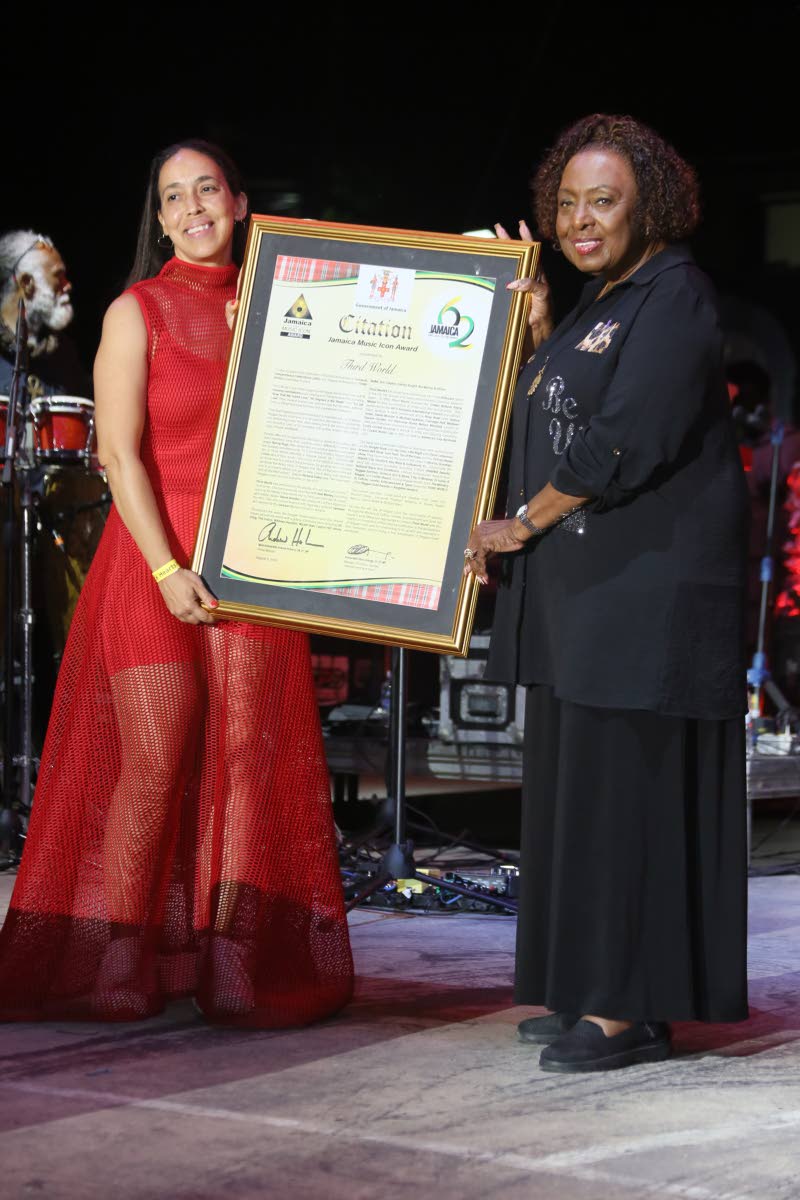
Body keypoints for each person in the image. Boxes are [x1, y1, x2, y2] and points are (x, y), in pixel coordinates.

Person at [0, 139, 354, 1025]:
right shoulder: (138, 310)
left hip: (252, 566)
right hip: (150, 561)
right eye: (172, 197)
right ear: (157, 219)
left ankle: (231, 959)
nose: (192, 208)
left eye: (208, 190)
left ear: (239, 202)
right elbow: (117, 454)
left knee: (242, 763)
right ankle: (122, 956)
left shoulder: (288, 306)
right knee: (153, 765)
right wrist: (166, 569)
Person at [465, 114, 749, 1072]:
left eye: (605, 201)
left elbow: (623, 441)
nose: (581, 219)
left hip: (647, 598)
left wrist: (522, 523)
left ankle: (629, 1010)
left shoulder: (677, 296)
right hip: (588, 600)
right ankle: (595, 988)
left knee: (629, 800)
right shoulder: (600, 300)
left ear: (650, 206)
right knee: (582, 800)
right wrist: (540, 320)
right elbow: (561, 400)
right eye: (569, 202)